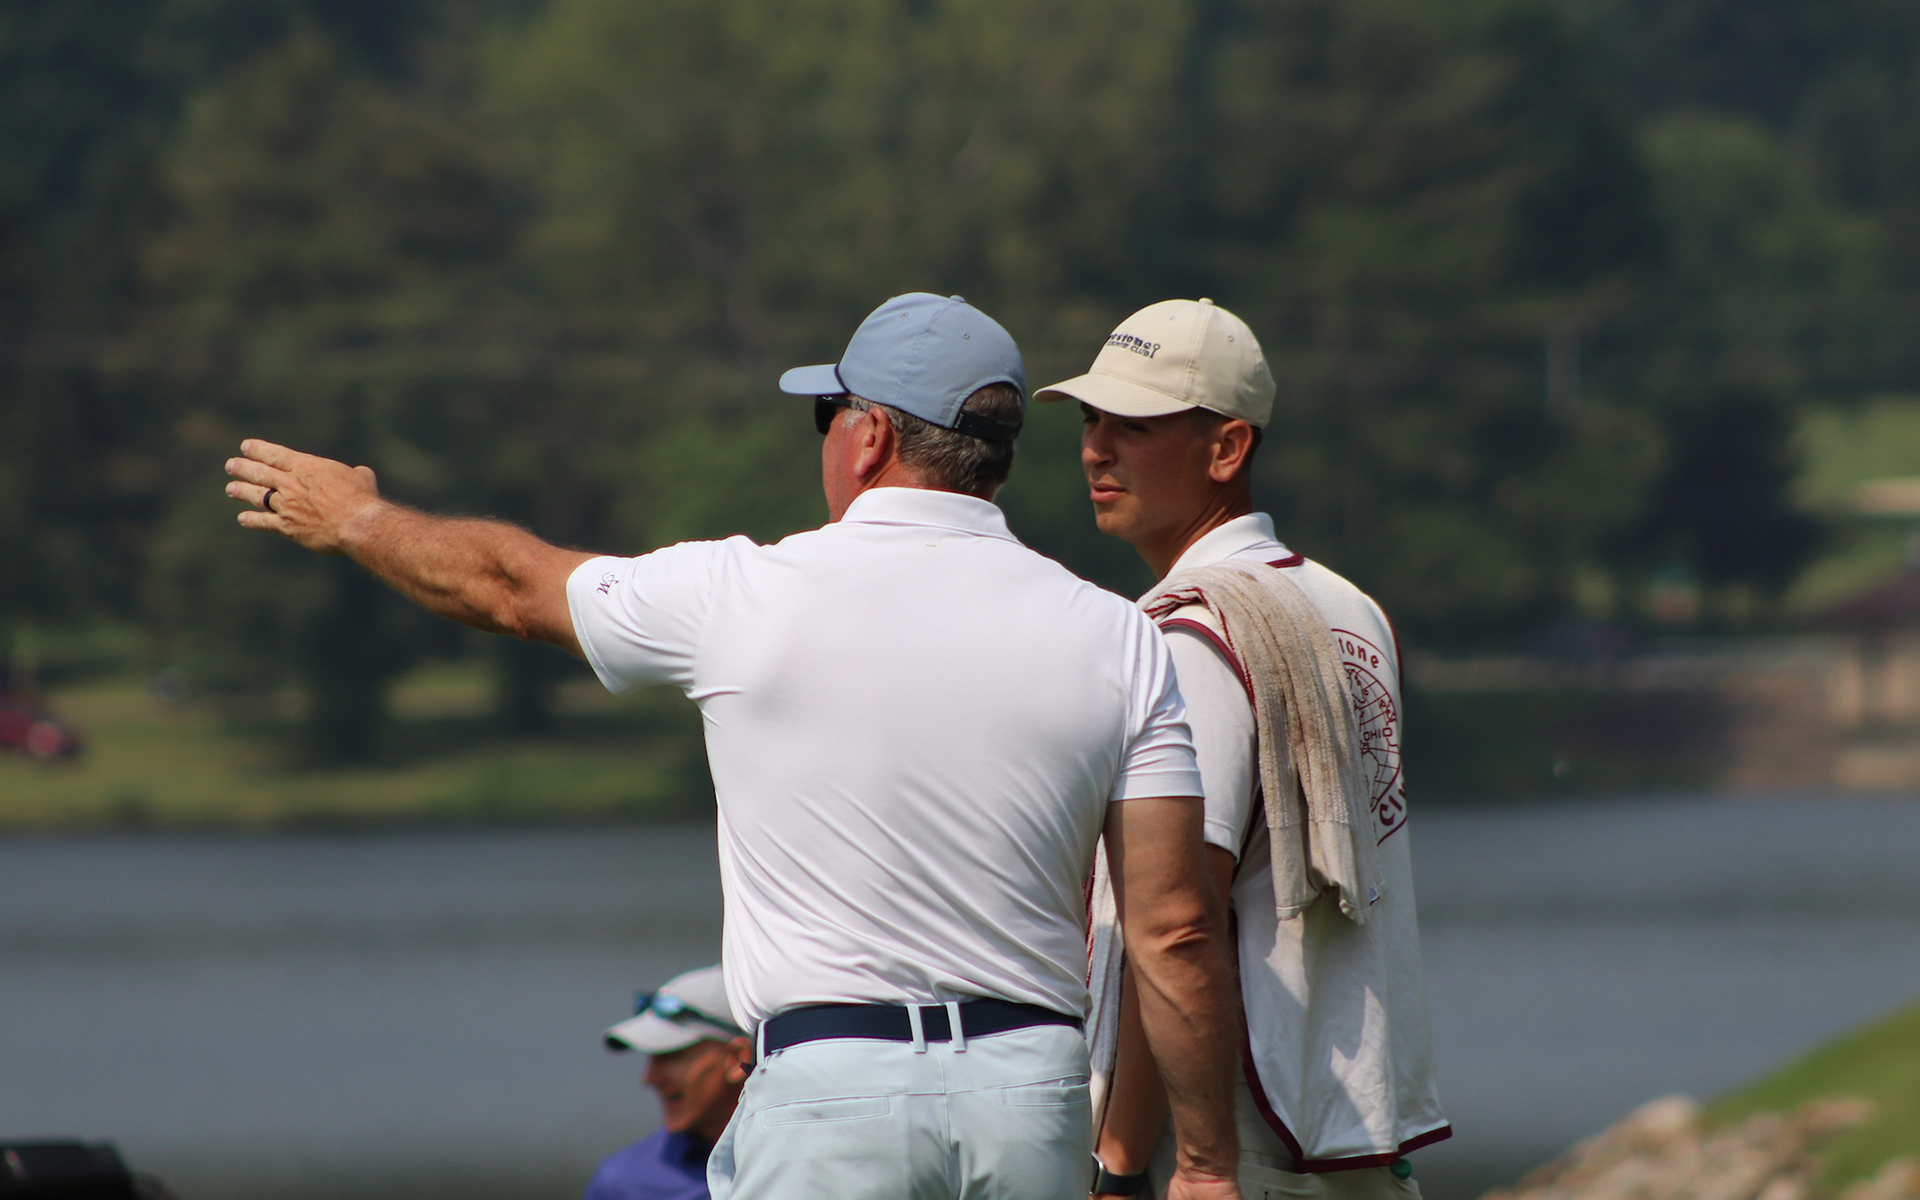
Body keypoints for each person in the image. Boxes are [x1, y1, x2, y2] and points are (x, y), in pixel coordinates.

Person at [221, 292, 1243, 1200]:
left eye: (826, 413)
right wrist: (1204, 1165)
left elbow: (508, 585)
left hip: (830, 1090)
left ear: (871, 436)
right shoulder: (1119, 635)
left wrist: (359, 519)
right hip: (1031, 1092)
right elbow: (1174, 931)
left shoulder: (739, 595)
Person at [1036, 299, 1450, 1200]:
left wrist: (1119, 1164)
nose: (1095, 449)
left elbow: (1177, 923)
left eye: (1134, 425)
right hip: (1355, 1134)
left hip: (1224, 1147)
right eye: (1091, 420)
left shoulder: (1189, 638)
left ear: (1226, 449)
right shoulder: (1350, 609)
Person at [583, 966, 752, 1200]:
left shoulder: (798, 1159)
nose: (650, 1078)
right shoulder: (621, 1184)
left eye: (671, 1055)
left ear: (736, 1058)